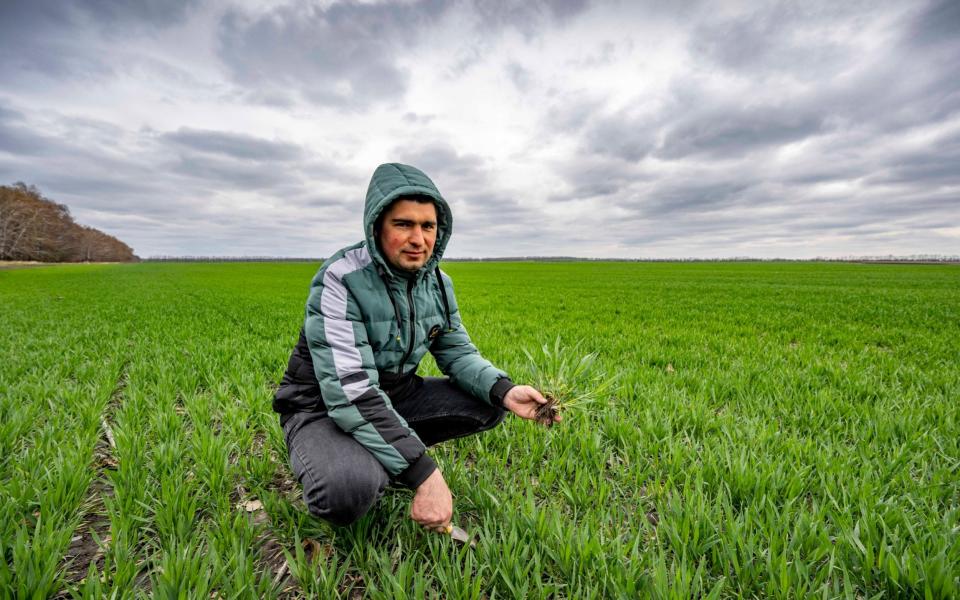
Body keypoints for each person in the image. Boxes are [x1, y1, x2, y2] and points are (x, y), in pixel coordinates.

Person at [273, 163, 557, 531]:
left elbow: (457, 352)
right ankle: (352, 457)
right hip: (322, 407)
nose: (418, 239)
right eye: (403, 224)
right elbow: (352, 392)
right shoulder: (340, 280)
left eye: (428, 226)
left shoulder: (437, 282)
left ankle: (386, 452)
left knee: (489, 404)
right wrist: (424, 474)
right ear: (377, 227)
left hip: (396, 393)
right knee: (348, 490)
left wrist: (505, 390)